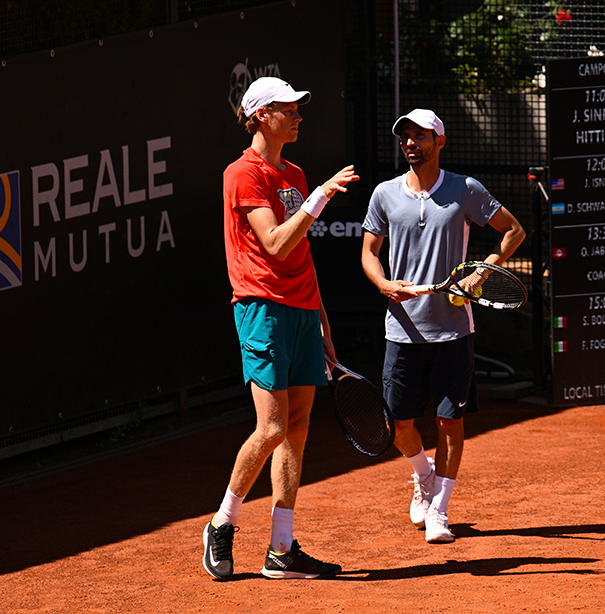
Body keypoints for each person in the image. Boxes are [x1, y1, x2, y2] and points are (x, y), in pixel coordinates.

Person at [202, 77, 359, 580]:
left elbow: (302, 252)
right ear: (261, 115)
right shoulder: (242, 174)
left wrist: (322, 320)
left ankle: (281, 548)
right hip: (261, 307)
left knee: (297, 427)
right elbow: (273, 242)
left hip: (301, 309)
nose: (297, 116)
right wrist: (318, 200)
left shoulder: (293, 173)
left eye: (297, 108)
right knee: (271, 427)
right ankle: (221, 525)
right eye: (288, 108)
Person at [360, 109, 525, 544]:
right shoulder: (384, 194)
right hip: (402, 331)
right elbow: (369, 252)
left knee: (450, 422)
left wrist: (481, 273)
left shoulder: (464, 190)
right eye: (405, 137)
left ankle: (439, 509)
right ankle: (423, 473)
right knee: (399, 425)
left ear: (440, 141)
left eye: (420, 135)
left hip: (453, 330)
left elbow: (513, 231)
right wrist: (382, 284)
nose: (411, 142)